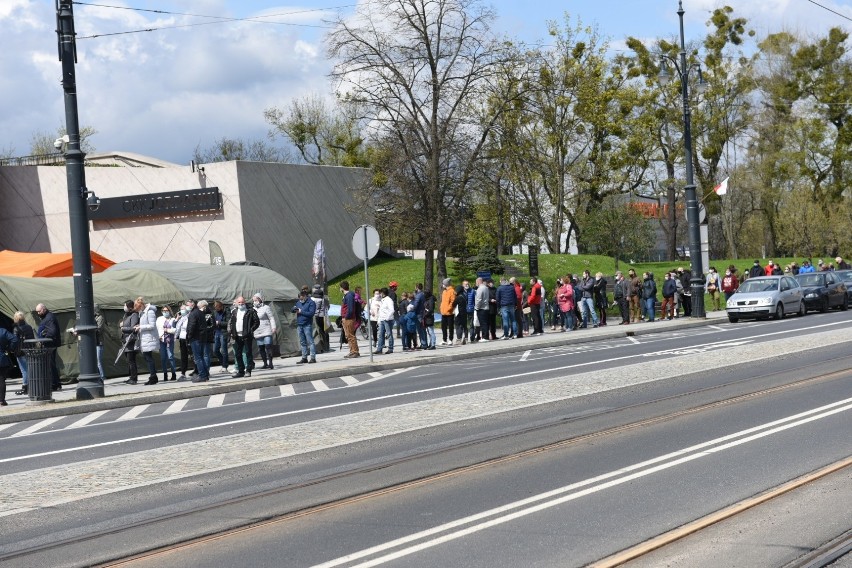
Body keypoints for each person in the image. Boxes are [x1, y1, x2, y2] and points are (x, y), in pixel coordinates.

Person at [230, 296, 260, 378]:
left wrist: (251, 330)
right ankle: (240, 371)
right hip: (237, 336)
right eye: (239, 302)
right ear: (236, 303)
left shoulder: (250, 311)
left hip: (247, 335)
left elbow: (256, 322)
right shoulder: (234, 311)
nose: (241, 304)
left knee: (248, 353)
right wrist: (232, 332)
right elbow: (232, 323)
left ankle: (248, 370)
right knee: (238, 354)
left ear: (245, 302)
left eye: (242, 302)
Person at [35, 303, 62, 390]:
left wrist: (44, 337)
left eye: (39, 311)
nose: (38, 313)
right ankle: (56, 383)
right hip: (48, 344)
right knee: (50, 364)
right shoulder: (47, 317)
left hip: (50, 344)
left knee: (50, 365)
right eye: (37, 312)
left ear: (43, 309)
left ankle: (55, 384)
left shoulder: (49, 318)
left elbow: (52, 331)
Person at [134, 297, 160, 385]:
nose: (138, 310)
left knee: (148, 358)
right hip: (145, 338)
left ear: (141, 305)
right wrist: (139, 325)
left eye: (138, 308)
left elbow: (152, 325)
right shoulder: (143, 313)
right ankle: (153, 376)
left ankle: (153, 377)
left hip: (149, 338)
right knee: (147, 357)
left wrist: (140, 327)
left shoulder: (150, 312)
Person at [187, 299, 210, 382]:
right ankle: (205, 375)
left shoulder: (193, 314)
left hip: (196, 338)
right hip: (201, 337)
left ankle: (202, 375)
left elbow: (191, 326)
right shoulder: (200, 313)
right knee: (201, 357)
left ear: (192, 304)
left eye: (188, 304)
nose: (187, 306)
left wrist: (189, 336)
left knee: (198, 358)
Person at [293, 286, 318, 364]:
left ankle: (313, 358)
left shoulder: (311, 303)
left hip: (307, 325)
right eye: (299, 298)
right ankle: (304, 357)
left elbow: (311, 313)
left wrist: (301, 311)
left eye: (301, 298)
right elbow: (293, 309)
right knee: (302, 342)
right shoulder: (298, 303)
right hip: (299, 325)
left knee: (310, 341)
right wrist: (294, 309)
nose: (300, 300)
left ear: (305, 296)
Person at [252, 293, 277, 370]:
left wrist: (273, 327)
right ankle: (265, 363)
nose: (255, 301)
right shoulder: (253, 309)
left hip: (266, 329)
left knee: (268, 346)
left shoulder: (266, 307)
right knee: (261, 348)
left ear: (260, 299)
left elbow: (271, 318)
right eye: (254, 300)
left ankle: (270, 363)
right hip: (257, 330)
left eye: (256, 300)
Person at [12, 312, 34, 395]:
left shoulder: (16, 328)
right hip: (29, 350)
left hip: (20, 352)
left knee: (24, 370)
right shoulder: (29, 327)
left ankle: (25, 387)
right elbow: (32, 338)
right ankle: (31, 385)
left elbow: (15, 341)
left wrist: (13, 349)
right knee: (30, 368)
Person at [120, 299, 140, 384]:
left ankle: (134, 378)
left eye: (125, 305)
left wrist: (123, 328)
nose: (124, 307)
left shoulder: (134, 315)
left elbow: (133, 328)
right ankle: (131, 377)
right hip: (125, 341)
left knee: (131, 360)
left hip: (131, 341)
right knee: (128, 361)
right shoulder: (126, 315)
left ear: (130, 307)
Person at [156, 305, 178, 381]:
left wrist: (168, 330)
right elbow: (156, 329)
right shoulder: (159, 319)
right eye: (163, 311)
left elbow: (175, 330)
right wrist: (157, 336)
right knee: (163, 358)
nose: (165, 312)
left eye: (166, 311)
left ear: (169, 311)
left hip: (169, 340)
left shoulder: (172, 319)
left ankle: (173, 373)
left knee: (170, 357)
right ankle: (165, 374)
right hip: (161, 340)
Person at [340, 280, 360, 358]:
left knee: (350, 335)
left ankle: (355, 351)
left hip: (349, 318)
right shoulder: (348, 295)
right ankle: (352, 351)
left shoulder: (349, 296)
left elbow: (350, 309)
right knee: (348, 335)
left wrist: (346, 317)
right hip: (347, 318)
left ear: (342, 288)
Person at [0, 326, 19, 406]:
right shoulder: (2, 331)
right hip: (1, 357)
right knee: (1, 379)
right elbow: (15, 339)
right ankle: (1, 400)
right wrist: (9, 349)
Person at [374, 287, 395, 354]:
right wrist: (379, 320)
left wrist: (387, 318)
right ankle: (379, 349)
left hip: (387, 320)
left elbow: (392, 310)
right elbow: (381, 311)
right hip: (382, 320)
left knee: (389, 334)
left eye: (380, 293)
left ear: (383, 293)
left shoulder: (389, 300)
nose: (379, 294)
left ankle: (390, 348)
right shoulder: (382, 300)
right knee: (381, 334)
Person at [174, 303, 191, 381]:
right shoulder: (181, 318)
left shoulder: (190, 317)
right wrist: (176, 319)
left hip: (188, 338)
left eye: (183, 309)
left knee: (193, 355)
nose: (182, 310)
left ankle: (199, 371)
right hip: (182, 339)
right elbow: (176, 328)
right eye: (181, 309)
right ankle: (183, 373)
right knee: (183, 356)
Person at [311, 284, 330, 353]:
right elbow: (328, 306)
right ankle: (327, 346)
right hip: (325, 316)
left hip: (317, 316)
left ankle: (322, 347)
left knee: (319, 331)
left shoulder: (313, 299)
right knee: (325, 332)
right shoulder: (325, 298)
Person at [212, 300, 230, 373]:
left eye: (217, 307)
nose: (216, 309)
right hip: (216, 332)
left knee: (224, 350)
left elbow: (228, 323)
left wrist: (219, 323)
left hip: (223, 333)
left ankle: (224, 366)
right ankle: (223, 363)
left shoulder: (226, 312)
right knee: (215, 350)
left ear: (221, 306)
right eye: (215, 308)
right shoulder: (214, 312)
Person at [439, 278, 455, 346]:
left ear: (446, 284)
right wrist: (441, 307)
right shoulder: (444, 291)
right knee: (443, 327)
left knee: (450, 327)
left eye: (443, 284)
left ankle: (450, 339)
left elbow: (452, 301)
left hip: (449, 312)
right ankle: (444, 339)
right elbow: (442, 301)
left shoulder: (452, 291)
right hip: (443, 312)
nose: (442, 285)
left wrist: (449, 308)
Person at [93, 304, 106, 381]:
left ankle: (102, 376)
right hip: (94, 342)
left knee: (98, 360)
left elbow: (99, 330)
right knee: (95, 360)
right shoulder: (93, 318)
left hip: (99, 342)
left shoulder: (100, 318)